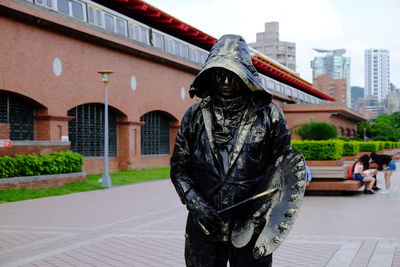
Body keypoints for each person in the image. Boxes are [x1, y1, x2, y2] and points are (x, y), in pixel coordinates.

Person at [170, 34, 307, 267]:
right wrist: (196, 203)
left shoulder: (269, 116)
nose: (225, 82)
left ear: (245, 75)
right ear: (209, 75)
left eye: (232, 74)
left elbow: (282, 170)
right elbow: (179, 168)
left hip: (251, 227)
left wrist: (262, 210)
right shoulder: (194, 116)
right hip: (204, 224)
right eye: (219, 73)